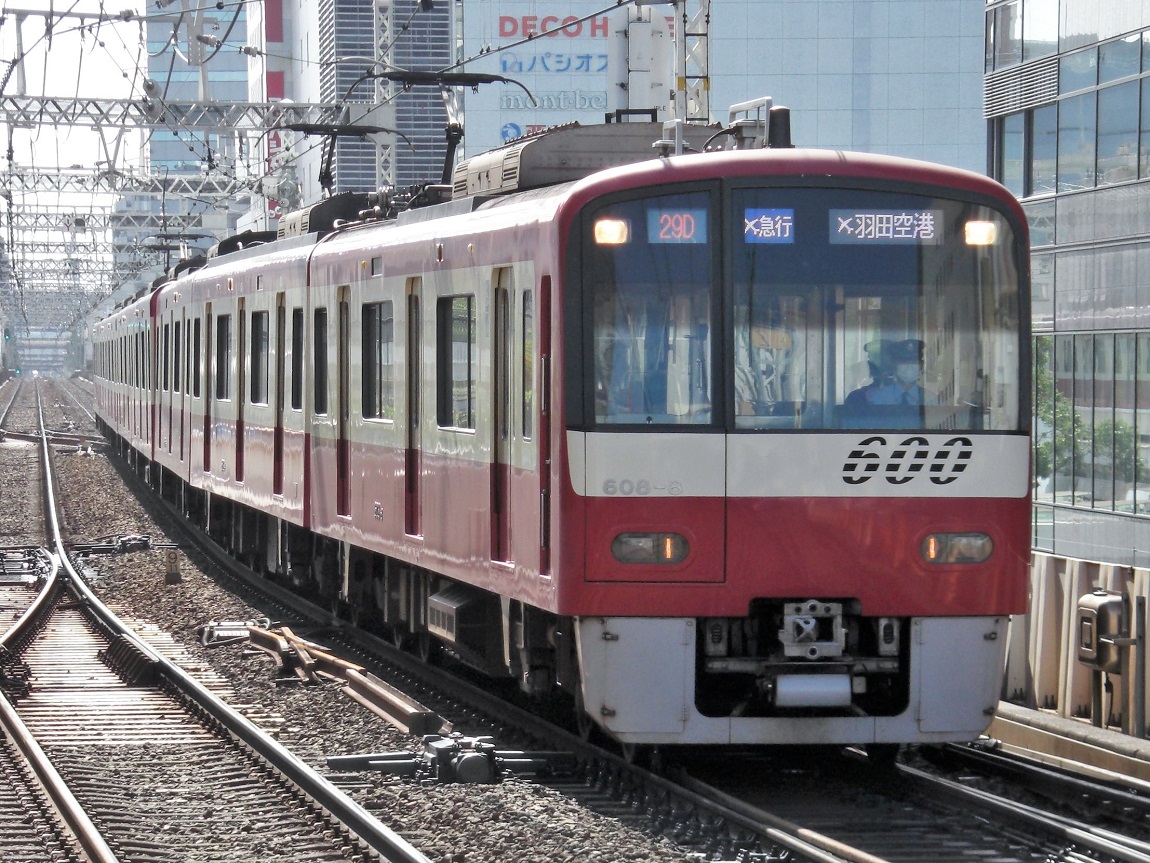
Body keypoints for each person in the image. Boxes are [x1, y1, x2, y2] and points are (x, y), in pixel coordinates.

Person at [860, 339, 937, 406]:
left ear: (921, 365)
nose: (909, 366)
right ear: (894, 365)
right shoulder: (879, 398)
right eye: (904, 361)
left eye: (914, 361)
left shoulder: (931, 399)